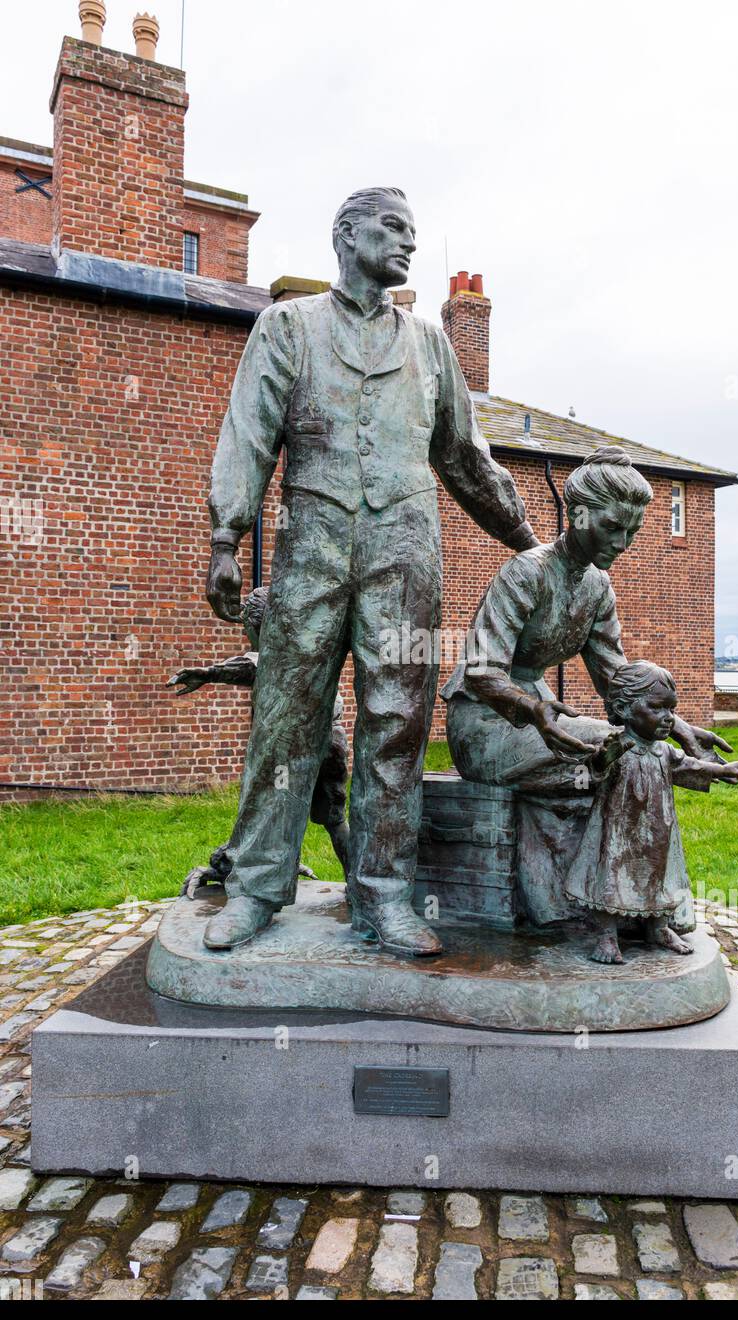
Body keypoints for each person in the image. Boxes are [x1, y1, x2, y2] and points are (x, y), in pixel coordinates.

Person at [204, 187, 539, 954]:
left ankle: (385, 894)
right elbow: (248, 433)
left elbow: (465, 455)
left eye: (413, 233)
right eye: (392, 228)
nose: (408, 244)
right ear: (344, 235)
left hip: (406, 551)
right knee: (286, 720)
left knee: (398, 725)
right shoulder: (287, 326)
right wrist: (226, 536)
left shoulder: (429, 344)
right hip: (311, 546)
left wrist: (525, 538)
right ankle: (256, 885)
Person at [443, 445, 735, 929]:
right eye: (612, 527)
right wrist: (533, 710)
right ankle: (651, 899)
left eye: (632, 532)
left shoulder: (597, 587)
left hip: (544, 719)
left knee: (617, 758)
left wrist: (677, 726)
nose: (622, 542)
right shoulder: (526, 572)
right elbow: (480, 670)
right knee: (619, 752)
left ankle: (584, 900)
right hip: (484, 725)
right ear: (578, 515)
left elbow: (615, 683)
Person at [565, 661, 738, 963]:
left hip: (658, 830)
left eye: (672, 709)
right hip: (617, 832)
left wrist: (719, 770)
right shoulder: (616, 747)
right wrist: (604, 759)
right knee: (610, 877)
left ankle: (659, 927)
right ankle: (606, 936)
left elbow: (687, 766)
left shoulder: (662, 750)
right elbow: (585, 777)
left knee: (660, 874)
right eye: (658, 708)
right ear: (623, 708)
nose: (669, 718)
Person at [167, 587, 349, 892]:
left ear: (254, 627)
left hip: (293, 749)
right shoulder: (312, 649)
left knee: (268, 810)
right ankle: (360, 885)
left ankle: (252, 875)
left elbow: (253, 664)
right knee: (333, 820)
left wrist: (209, 672)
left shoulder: (277, 654)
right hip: (332, 741)